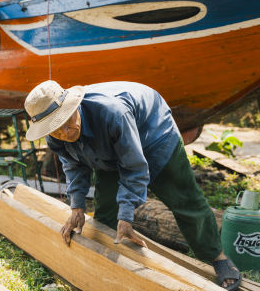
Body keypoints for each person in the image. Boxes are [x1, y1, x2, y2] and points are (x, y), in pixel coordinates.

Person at [23, 80, 242, 290]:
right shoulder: (55, 137)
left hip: (153, 133)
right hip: (107, 145)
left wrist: (126, 216)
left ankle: (216, 257)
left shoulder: (113, 113)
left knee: (183, 199)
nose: (65, 133)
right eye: (56, 130)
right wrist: (77, 207)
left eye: (66, 122)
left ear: (74, 107)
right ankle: (108, 258)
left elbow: (134, 167)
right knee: (106, 209)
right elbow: (74, 165)